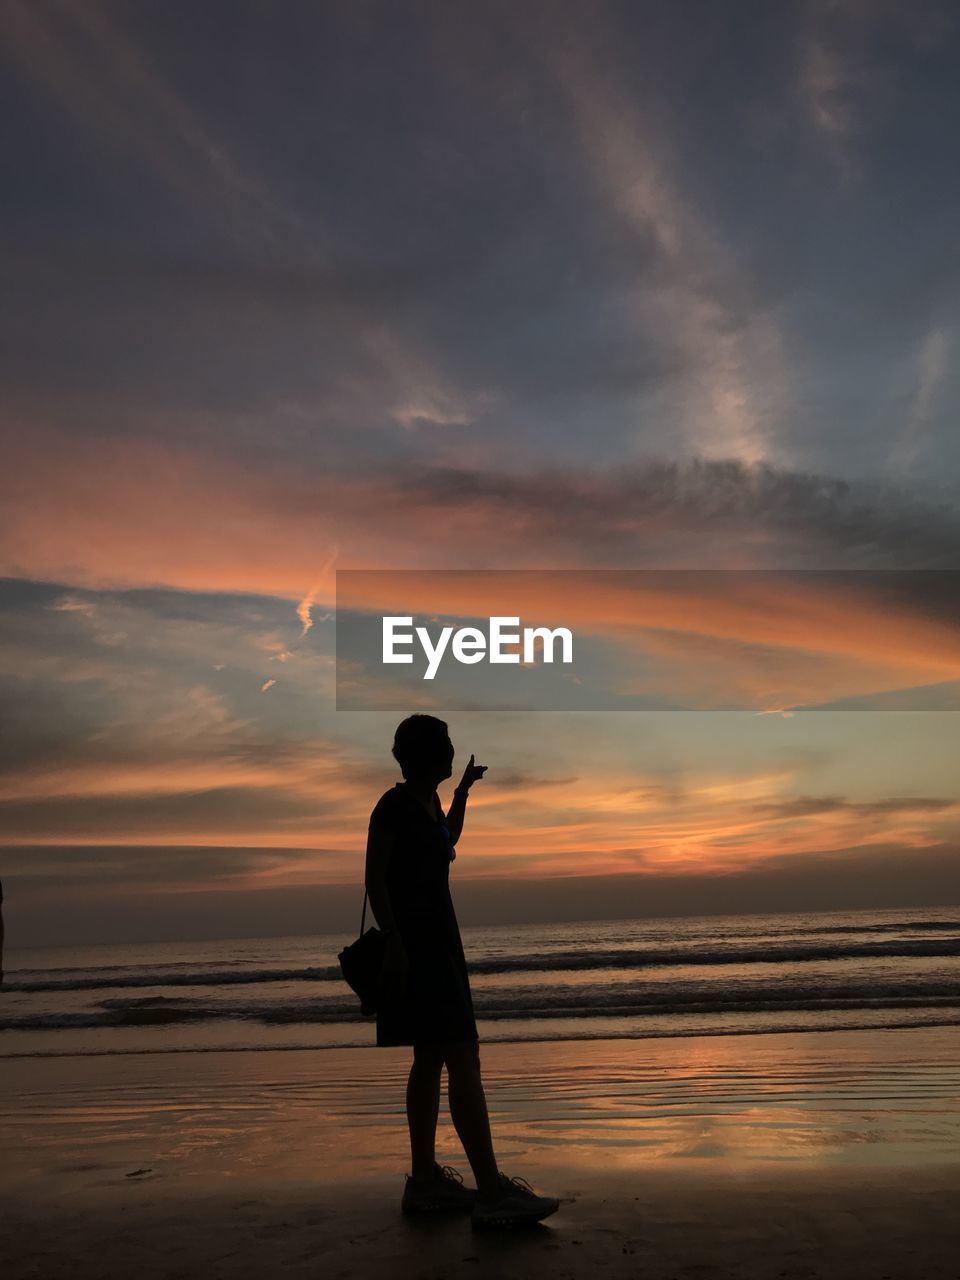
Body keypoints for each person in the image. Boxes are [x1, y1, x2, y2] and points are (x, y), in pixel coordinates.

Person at [364, 714, 559, 1228]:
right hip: (419, 949)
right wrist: (395, 944)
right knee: (461, 1055)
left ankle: (424, 1180)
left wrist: (465, 792)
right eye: (446, 744)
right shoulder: (393, 805)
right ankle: (492, 1192)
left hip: (439, 944)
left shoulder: (427, 806)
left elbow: (447, 839)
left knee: (430, 1058)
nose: (453, 751)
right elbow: (374, 881)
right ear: (426, 753)